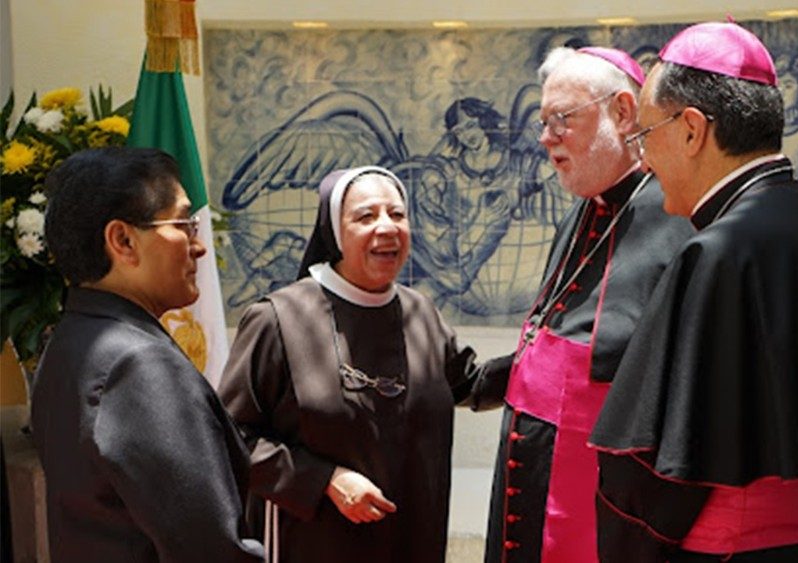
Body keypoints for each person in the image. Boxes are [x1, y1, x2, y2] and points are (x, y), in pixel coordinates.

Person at [589, 22, 798, 562]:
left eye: (645, 135)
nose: (643, 160)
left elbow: (656, 474)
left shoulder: (718, 253)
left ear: (692, 130)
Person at [217, 165, 510, 562]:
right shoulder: (279, 319)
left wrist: (550, 352)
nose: (386, 227)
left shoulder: (421, 313)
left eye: (397, 214)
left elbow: (470, 384)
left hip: (411, 541)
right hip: (313, 544)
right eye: (366, 216)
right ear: (335, 233)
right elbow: (230, 438)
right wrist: (324, 479)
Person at [474, 46, 693, 562]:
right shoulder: (580, 212)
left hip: (600, 512)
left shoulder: (679, 222)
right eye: (543, 122)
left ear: (623, 112)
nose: (545, 137)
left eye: (562, 119)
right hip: (528, 488)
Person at [30, 147, 264, 562]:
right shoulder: (140, 366)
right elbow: (209, 550)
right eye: (184, 225)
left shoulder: (70, 339)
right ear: (123, 241)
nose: (200, 246)